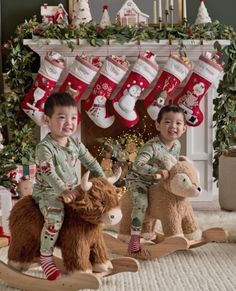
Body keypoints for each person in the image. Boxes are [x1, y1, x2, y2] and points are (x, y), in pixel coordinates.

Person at [32, 92, 105, 280]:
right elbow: (49, 173)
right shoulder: (44, 148)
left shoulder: (75, 143)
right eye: (62, 117)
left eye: (73, 118)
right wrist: (62, 191)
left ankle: (94, 252)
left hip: (73, 188)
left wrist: (103, 181)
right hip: (49, 191)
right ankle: (46, 256)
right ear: (47, 120)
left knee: (93, 211)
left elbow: (91, 162)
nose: (69, 123)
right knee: (55, 217)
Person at [127, 104, 187, 253]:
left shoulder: (176, 145)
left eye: (178, 123)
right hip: (140, 180)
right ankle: (134, 237)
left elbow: (171, 162)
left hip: (159, 182)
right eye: (167, 122)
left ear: (184, 128)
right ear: (158, 125)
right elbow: (137, 164)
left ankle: (178, 230)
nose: (173, 126)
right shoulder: (152, 146)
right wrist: (156, 170)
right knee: (141, 203)